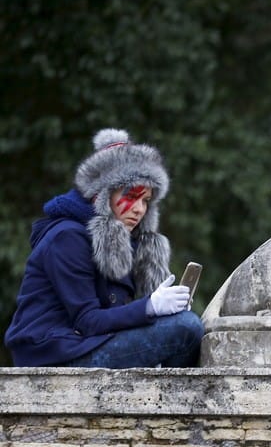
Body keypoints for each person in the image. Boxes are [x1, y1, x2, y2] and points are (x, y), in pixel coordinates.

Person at [4, 128, 204, 368]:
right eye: (131, 196)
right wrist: (150, 306)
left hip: (88, 343)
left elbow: (110, 319)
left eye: (145, 200)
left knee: (187, 324)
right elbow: (88, 321)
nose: (139, 209)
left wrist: (161, 309)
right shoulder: (67, 236)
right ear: (102, 194)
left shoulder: (123, 240)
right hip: (55, 354)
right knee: (185, 327)